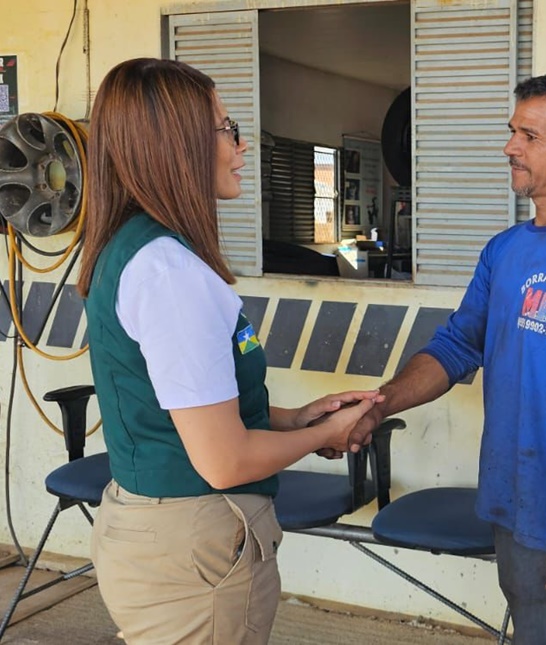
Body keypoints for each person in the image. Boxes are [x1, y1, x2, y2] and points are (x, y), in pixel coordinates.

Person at [78, 58, 381, 644]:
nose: (241, 147)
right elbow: (223, 461)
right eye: (225, 129)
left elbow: (192, 412)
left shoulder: (139, 251)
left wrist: (300, 417)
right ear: (178, 144)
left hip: (165, 535)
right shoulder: (168, 272)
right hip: (194, 547)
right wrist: (327, 434)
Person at [350, 72, 546, 643]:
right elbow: (457, 345)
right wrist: (380, 403)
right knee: (541, 626)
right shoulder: (505, 250)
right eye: (511, 131)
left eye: (529, 135)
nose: (509, 146)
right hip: (510, 494)